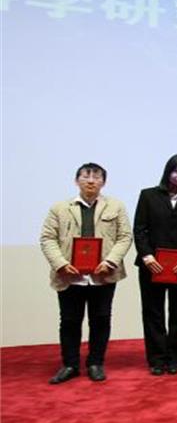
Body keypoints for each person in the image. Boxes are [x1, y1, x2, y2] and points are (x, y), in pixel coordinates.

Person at [39, 162, 133, 384]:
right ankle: (70, 364)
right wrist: (61, 264)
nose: (91, 181)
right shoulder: (60, 208)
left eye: (96, 177)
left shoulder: (115, 206)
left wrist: (110, 261)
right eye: (85, 176)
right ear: (76, 180)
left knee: (101, 319)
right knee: (69, 321)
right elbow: (47, 238)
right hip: (69, 275)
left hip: (103, 275)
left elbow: (125, 236)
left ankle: (95, 363)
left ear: (103, 182)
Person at [133, 154, 177, 375]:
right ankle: (156, 359)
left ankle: (175, 358)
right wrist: (147, 256)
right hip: (152, 265)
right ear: (167, 172)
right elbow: (140, 229)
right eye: (176, 171)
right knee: (153, 312)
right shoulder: (148, 195)